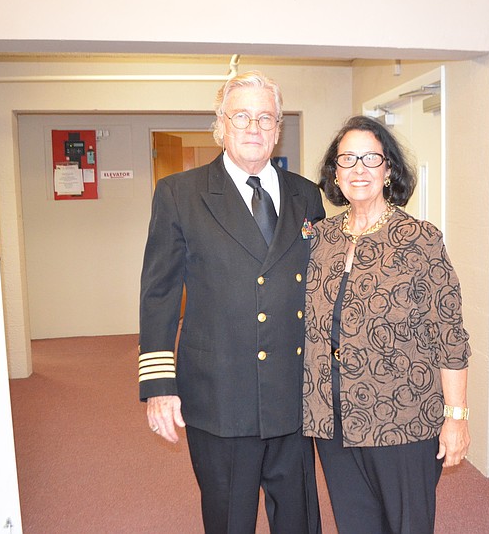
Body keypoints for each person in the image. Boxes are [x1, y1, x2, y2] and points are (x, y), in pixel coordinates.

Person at [138, 70, 325, 534]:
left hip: (292, 392)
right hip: (220, 394)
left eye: (266, 117)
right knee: (229, 520)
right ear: (220, 125)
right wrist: (159, 386)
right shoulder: (180, 193)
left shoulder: (306, 194)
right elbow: (159, 291)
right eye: (241, 116)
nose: (254, 128)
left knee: (298, 519)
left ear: (278, 129)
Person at [303, 115, 471, 534]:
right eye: (347, 159)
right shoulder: (320, 238)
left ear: (388, 169)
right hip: (332, 418)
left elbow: (450, 336)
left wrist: (456, 417)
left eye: (371, 158)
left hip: (403, 418)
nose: (359, 168)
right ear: (334, 173)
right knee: (355, 525)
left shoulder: (420, 239)